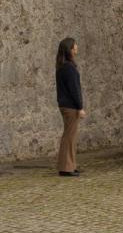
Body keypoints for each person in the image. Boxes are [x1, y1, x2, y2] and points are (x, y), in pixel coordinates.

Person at [55, 37, 85, 177]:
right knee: (69, 137)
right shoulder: (69, 69)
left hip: (65, 105)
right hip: (71, 107)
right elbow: (75, 90)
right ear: (70, 50)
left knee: (70, 137)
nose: (76, 48)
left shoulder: (62, 67)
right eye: (75, 46)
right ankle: (66, 168)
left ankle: (70, 165)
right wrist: (80, 107)